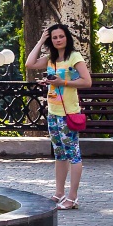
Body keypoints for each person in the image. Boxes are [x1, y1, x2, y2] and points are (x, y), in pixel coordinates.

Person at [26, 22, 90, 209]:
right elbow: (30, 64)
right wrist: (40, 40)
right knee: (60, 155)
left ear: (67, 37)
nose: (58, 40)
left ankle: (73, 196)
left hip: (68, 112)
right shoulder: (51, 59)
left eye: (61, 36)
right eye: (54, 37)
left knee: (74, 155)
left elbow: (87, 81)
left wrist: (64, 83)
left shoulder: (74, 57)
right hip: (53, 112)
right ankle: (59, 192)